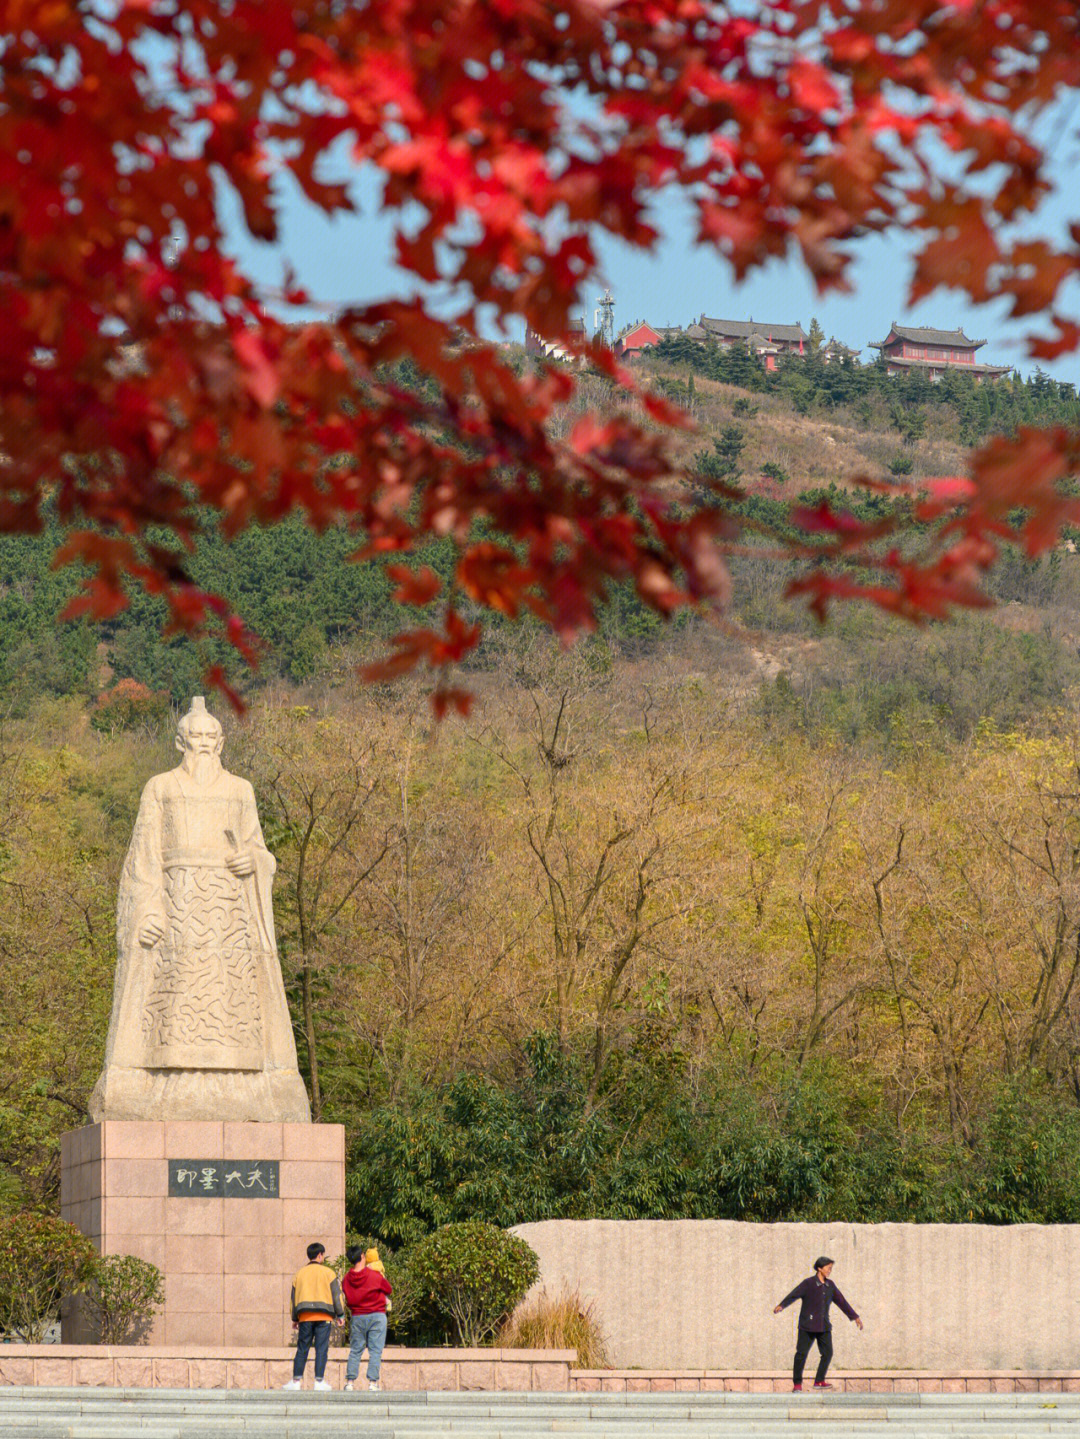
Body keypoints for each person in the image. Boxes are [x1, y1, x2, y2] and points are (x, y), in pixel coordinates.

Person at [773, 1255, 863, 1392]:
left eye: (831, 1268)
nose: (830, 1271)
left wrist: (855, 1316)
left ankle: (819, 1380)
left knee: (828, 1353)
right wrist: (782, 1305)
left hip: (824, 1326)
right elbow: (794, 1294)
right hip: (807, 1325)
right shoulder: (808, 1283)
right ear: (819, 1268)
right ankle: (797, 1384)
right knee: (801, 1354)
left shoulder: (830, 1285)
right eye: (828, 1268)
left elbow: (842, 1302)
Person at [284, 1242, 344, 1391]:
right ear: (320, 1255)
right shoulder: (328, 1273)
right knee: (321, 1348)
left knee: (302, 1348)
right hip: (324, 1316)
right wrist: (340, 1314)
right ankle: (319, 1382)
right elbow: (337, 1296)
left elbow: (293, 1298)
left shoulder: (300, 1273)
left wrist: (294, 1318)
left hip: (305, 1316)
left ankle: (296, 1381)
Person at [342, 1245, 393, 1392]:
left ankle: (350, 1382)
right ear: (363, 1256)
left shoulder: (346, 1279)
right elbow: (388, 1289)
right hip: (377, 1315)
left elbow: (347, 1295)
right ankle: (372, 1382)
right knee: (375, 1350)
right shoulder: (375, 1275)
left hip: (357, 1316)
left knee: (355, 1350)